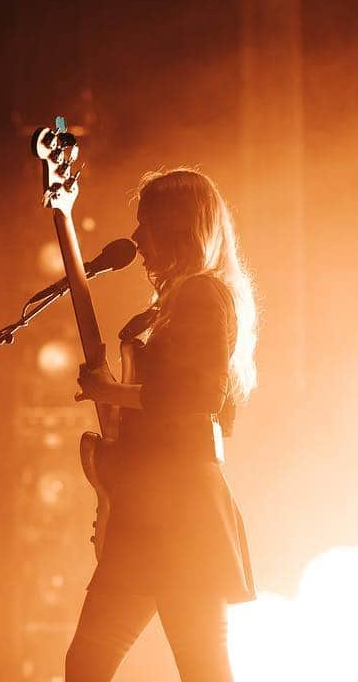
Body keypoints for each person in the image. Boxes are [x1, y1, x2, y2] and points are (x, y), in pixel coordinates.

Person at [67, 168, 258, 682]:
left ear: (178, 226)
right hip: (153, 509)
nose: (136, 239)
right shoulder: (168, 306)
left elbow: (200, 399)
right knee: (91, 662)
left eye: (145, 224)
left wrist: (111, 393)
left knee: (198, 667)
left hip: (180, 513)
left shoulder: (203, 296)